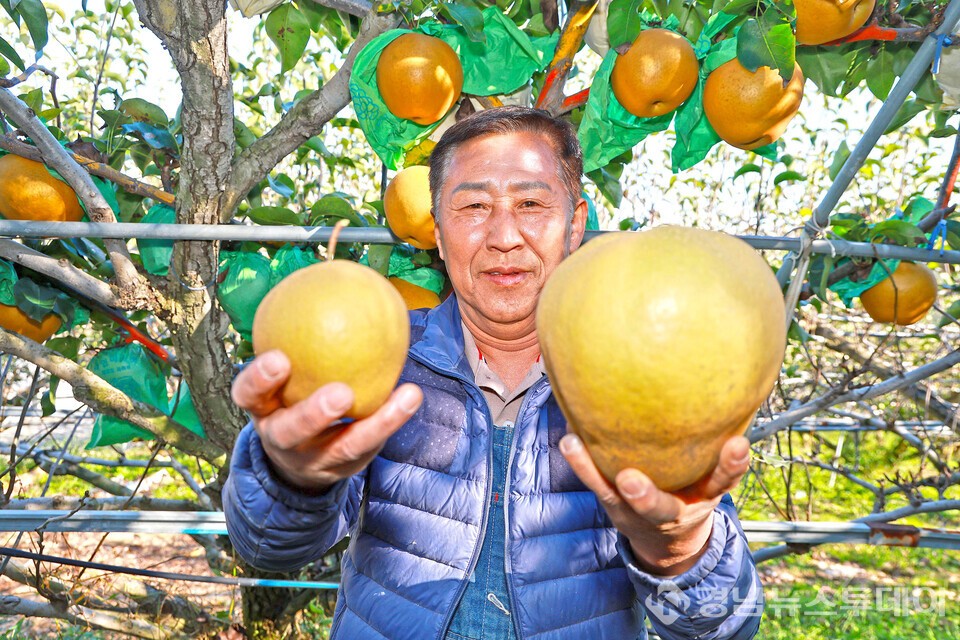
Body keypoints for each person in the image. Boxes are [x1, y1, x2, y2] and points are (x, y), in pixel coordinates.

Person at [223, 106, 764, 640]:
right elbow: (268, 547)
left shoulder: (645, 367)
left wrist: (677, 548)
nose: (504, 235)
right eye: (474, 206)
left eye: (530, 203)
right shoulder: (382, 351)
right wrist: (291, 479)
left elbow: (722, 626)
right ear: (436, 231)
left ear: (575, 224)